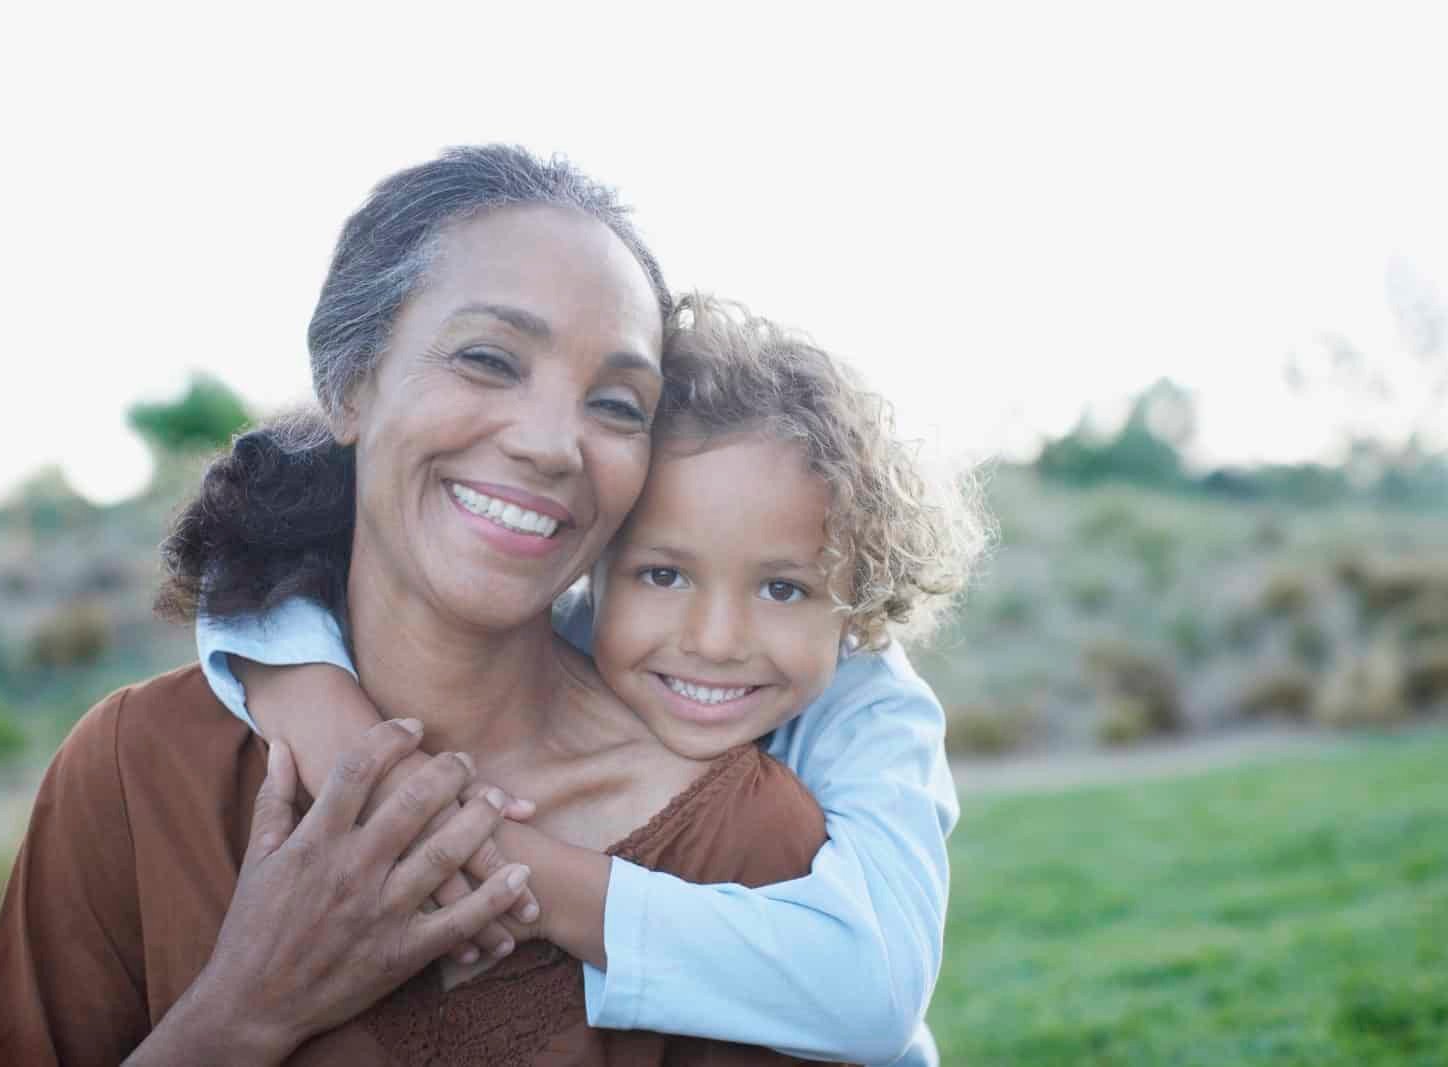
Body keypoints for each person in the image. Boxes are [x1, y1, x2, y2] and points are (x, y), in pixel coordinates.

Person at [200, 297, 987, 1066]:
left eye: (782, 588)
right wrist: (307, 693)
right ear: (593, 556)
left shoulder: (873, 706)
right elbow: (252, 570)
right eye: (663, 573)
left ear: (859, 601)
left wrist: (490, 859)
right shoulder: (568, 630)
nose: (714, 641)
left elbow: (874, 992)